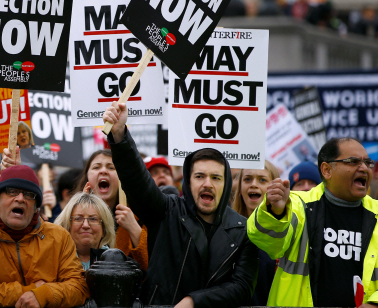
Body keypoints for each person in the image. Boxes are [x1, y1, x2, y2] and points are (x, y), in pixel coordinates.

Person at [103, 101, 258, 307]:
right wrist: (120, 135)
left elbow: (242, 287)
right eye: (200, 176)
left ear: (227, 184)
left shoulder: (244, 230)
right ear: (188, 181)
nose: (208, 184)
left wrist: (194, 301)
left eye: (216, 177)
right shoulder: (167, 210)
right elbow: (138, 180)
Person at [248, 137, 378, 307]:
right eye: (353, 161)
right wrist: (276, 212)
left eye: (367, 163)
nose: (363, 168)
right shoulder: (296, 204)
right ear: (326, 170)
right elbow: (269, 243)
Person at [0, 164, 89, 308]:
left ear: (36, 206)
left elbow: (79, 287)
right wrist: (31, 292)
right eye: (12, 191)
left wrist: (44, 295)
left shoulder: (59, 236)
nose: (20, 198)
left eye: (29, 195)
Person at [231, 161, 280, 305]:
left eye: (262, 180)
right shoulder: (226, 232)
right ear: (240, 188)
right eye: (247, 179)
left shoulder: (286, 235)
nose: (253, 184)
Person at [54, 191, 115, 270]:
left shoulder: (117, 263)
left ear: (104, 229)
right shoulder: (53, 262)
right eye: (78, 219)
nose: (86, 225)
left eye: (93, 219)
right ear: (67, 226)